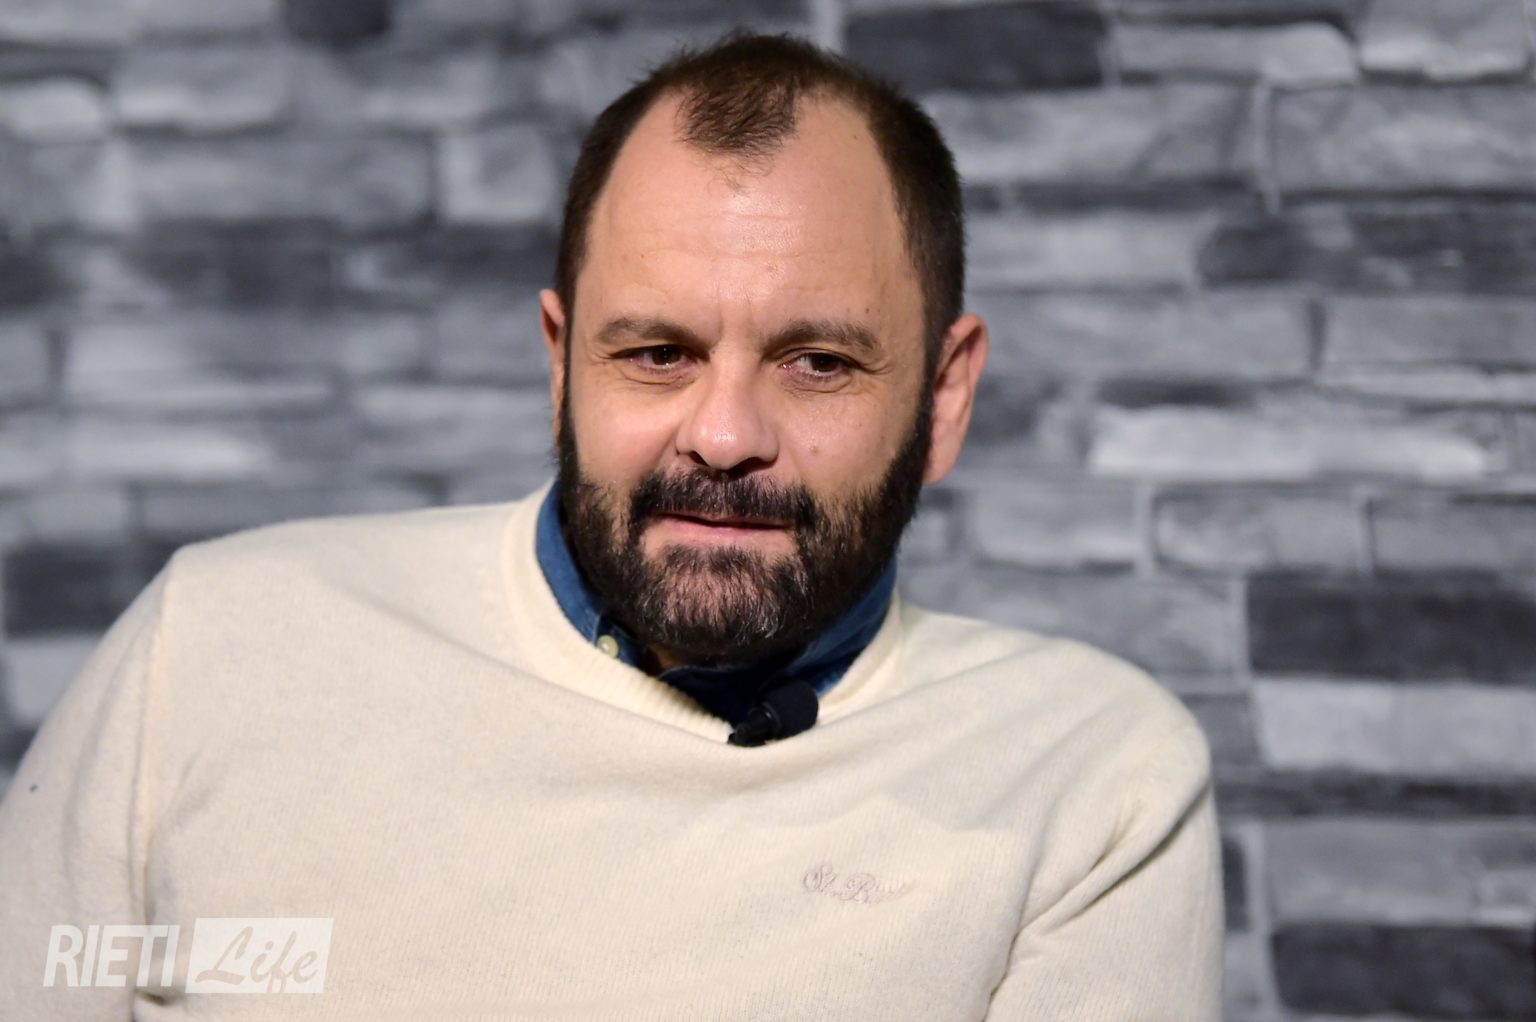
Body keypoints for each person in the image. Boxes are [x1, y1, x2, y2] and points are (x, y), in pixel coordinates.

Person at [0, 32, 1223, 1020]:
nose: (725, 434)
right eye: (656, 353)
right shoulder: (215, 646)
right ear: (559, 363)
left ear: (943, 397)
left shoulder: (1089, 779)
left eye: (818, 361)